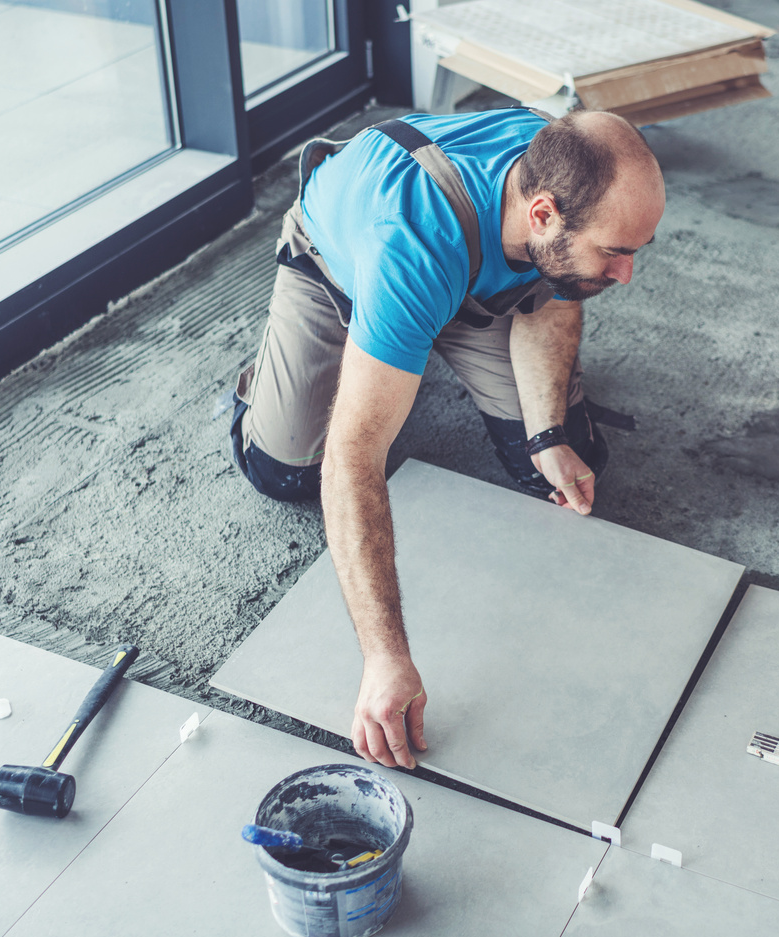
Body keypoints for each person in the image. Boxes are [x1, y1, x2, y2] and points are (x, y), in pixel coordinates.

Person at [229, 107, 666, 769]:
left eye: (635, 250)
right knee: (286, 469)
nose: (627, 275)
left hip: (469, 280)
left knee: (565, 458)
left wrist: (547, 434)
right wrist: (384, 658)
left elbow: (558, 288)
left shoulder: (568, 167)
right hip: (340, 263)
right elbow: (355, 457)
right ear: (540, 213)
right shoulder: (408, 243)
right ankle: (291, 373)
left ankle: (403, 349)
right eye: (616, 252)